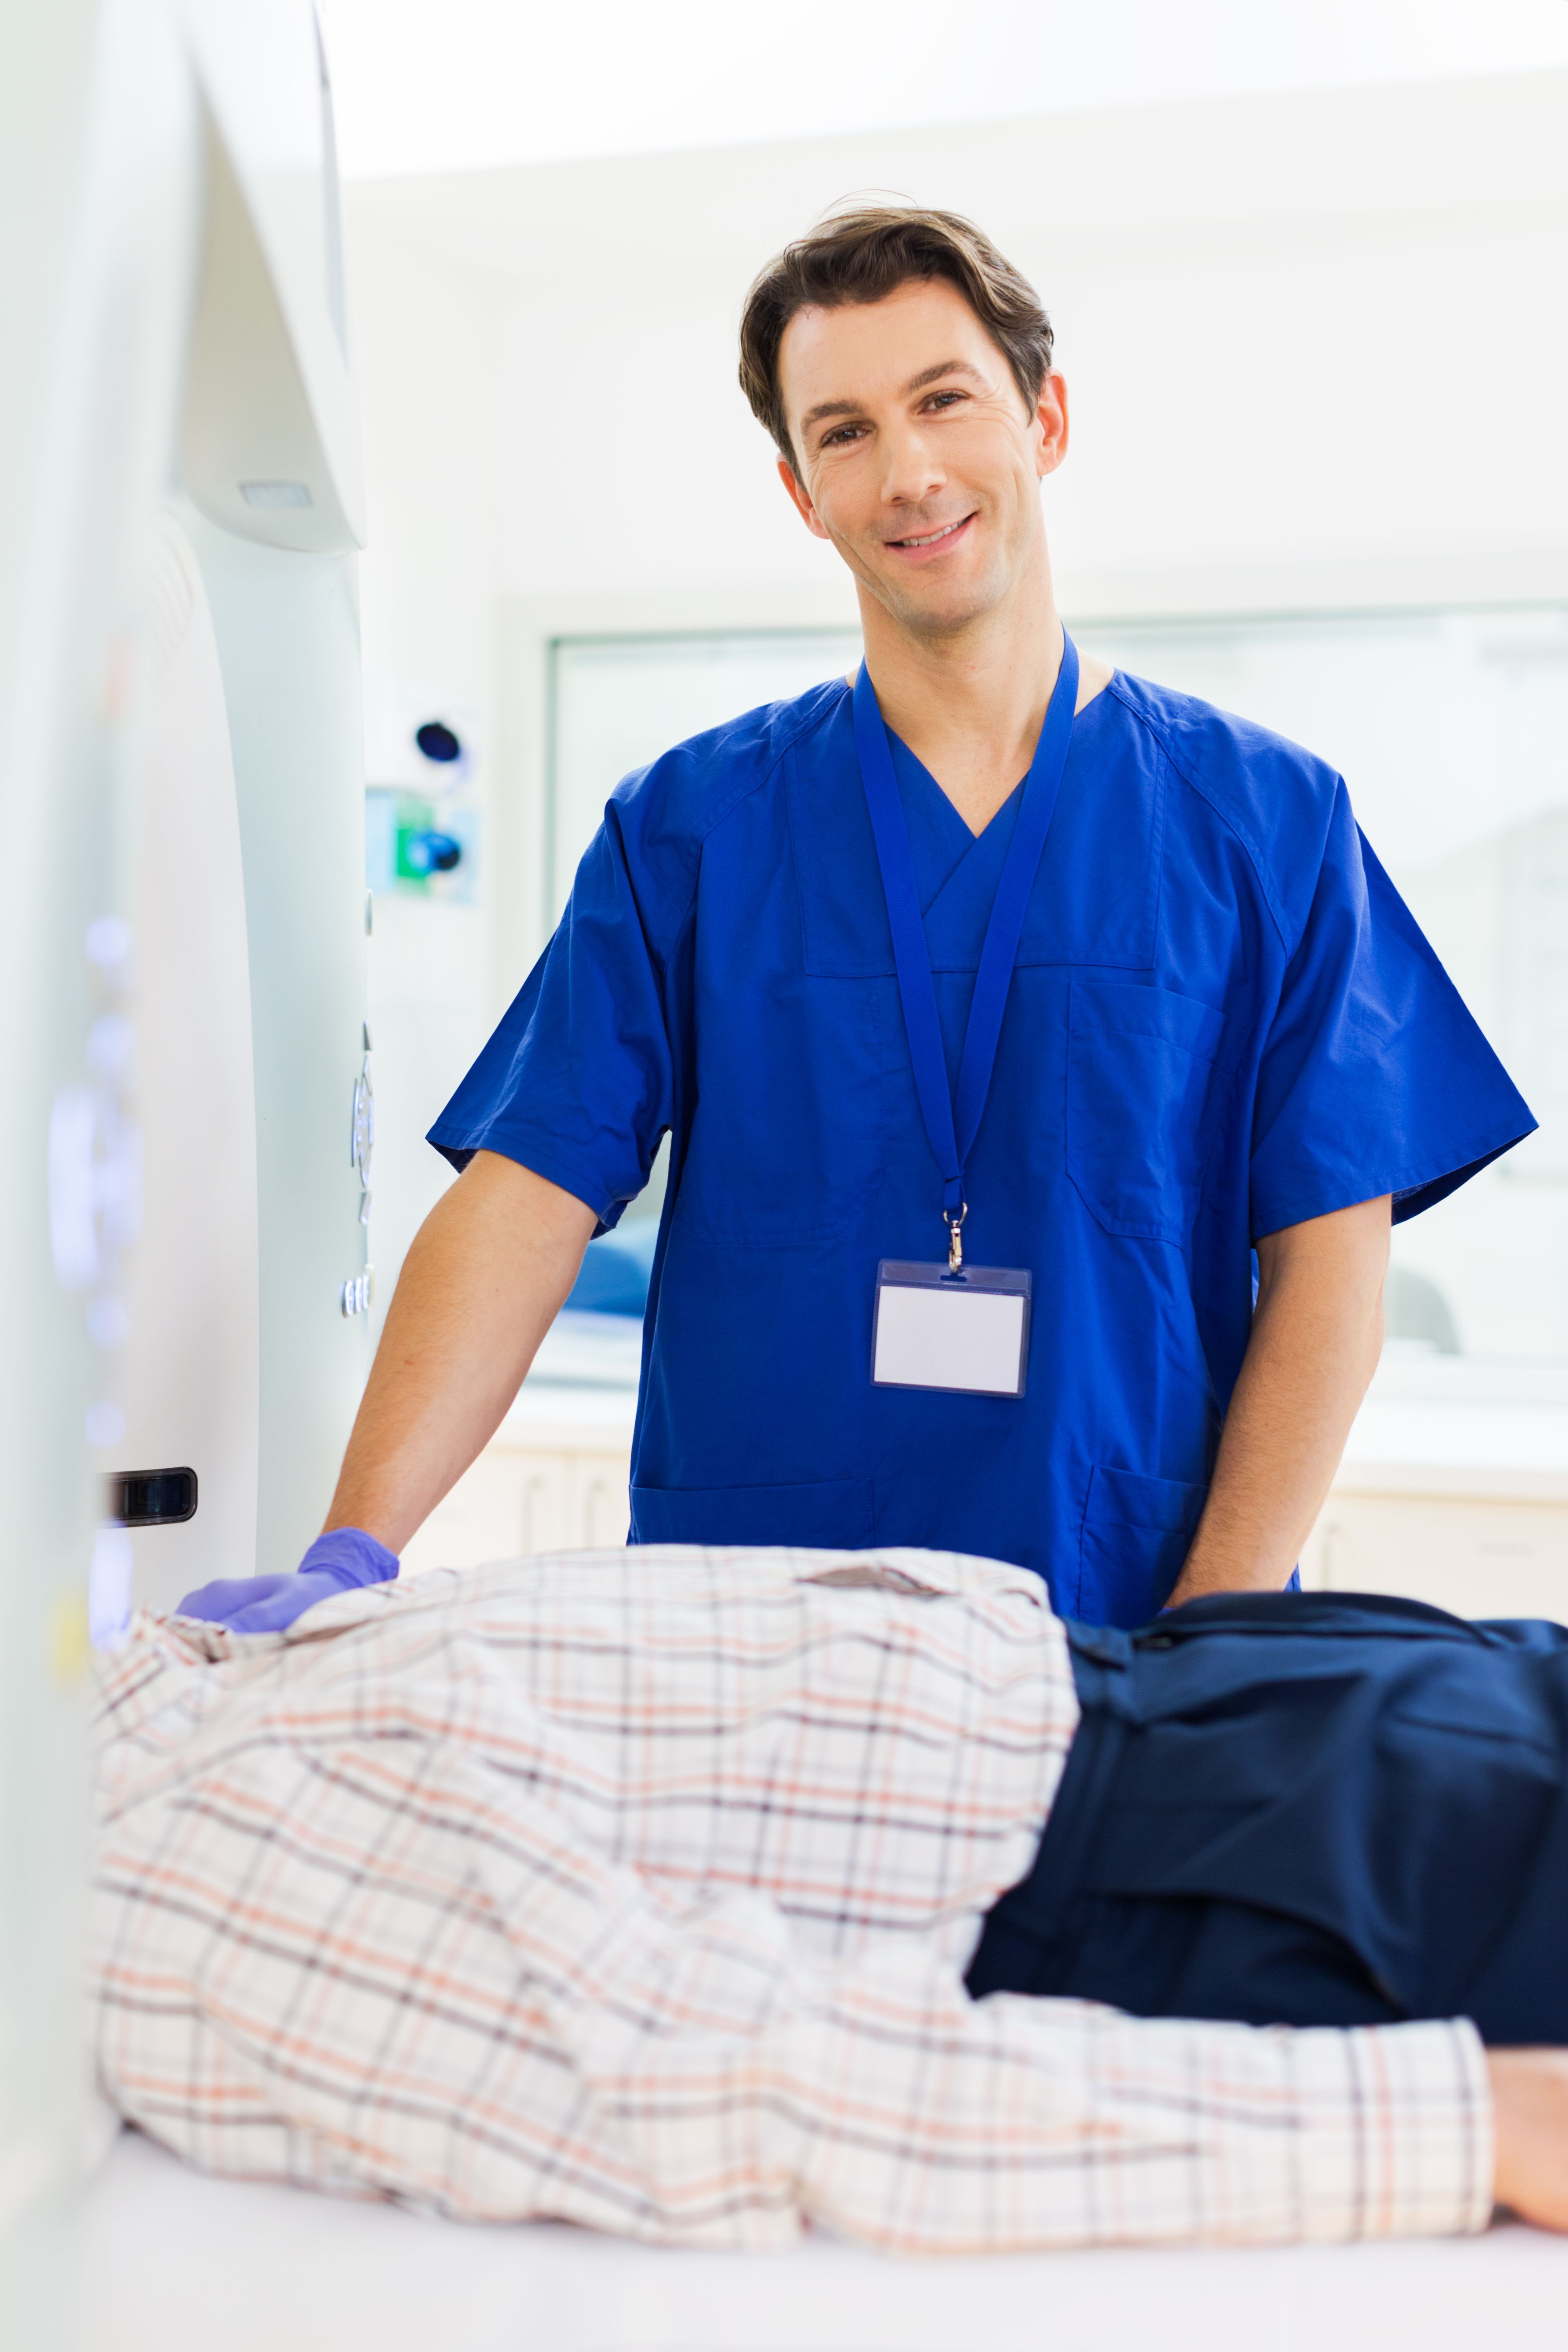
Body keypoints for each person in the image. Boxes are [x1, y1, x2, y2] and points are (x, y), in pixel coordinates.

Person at [233, 205, 1532, 1637]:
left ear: (1042, 418)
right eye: (841, 431)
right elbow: (524, 1200)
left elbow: (1331, 1265)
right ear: (800, 490)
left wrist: (1216, 1628)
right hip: (754, 1626)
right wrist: (353, 1544)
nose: (906, 472)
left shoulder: (1267, 826)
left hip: (1120, 1625)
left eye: (942, 401)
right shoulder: (691, 829)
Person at [100, 1547, 1568, 2250]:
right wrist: (1473, 2122)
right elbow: (747, 2089)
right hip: (1250, 1865)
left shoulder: (162, 1682)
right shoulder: (170, 1882)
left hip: (1273, 1697)